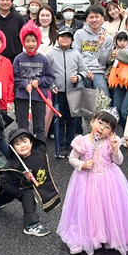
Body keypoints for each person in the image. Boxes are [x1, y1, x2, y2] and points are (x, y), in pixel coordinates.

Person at [57, 108, 128, 255]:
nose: (102, 128)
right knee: (86, 208)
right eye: (100, 123)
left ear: (111, 132)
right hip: (86, 180)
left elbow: (118, 161)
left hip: (108, 179)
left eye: (107, 127)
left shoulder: (110, 142)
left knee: (107, 208)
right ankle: (82, 238)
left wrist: (115, 149)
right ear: (92, 122)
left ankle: (109, 235)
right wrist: (82, 164)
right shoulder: (82, 141)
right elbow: (72, 158)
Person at [0, 128, 60, 237]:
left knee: (6, 198)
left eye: (25, 142)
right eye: (18, 144)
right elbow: (8, 182)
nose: (22, 146)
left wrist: (28, 180)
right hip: (9, 184)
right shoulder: (13, 164)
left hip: (23, 183)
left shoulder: (38, 156)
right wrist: (26, 180)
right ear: (13, 148)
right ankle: (31, 225)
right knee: (25, 195)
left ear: (31, 142)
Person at [47, 26, 88, 158]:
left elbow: (84, 70)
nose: (65, 39)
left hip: (73, 92)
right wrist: (51, 86)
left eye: (68, 37)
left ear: (72, 40)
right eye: (62, 36)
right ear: (58, 38)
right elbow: (46, 73)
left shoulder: (76, 54)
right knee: (59, 120)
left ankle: (70, 145)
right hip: (57, 93)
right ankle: (60, 147)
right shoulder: (51, 54)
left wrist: (78, 77)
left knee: (71, 120)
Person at [13, 21, 55, 142]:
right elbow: (15, 77)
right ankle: (23, 147)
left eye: (33, 41)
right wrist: (24, 84)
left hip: (39, 97)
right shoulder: (18, 59)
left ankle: (40, 148)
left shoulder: (43, 59)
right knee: (22, 125)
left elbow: (50, 77)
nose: (30, 44)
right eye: (27, 41)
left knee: (39, 126)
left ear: (38, 41)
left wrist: (39, 82)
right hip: (22, 97)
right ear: (23, 42)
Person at [73, 5, 113, 95]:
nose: (94, 20)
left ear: (102, 19)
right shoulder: (79, 34)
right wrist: (85, 70)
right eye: (91, 17)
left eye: (97, 17)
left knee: (103, 98)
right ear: (87, 20)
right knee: (80, 96)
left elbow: (104, 61)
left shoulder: (108, 38)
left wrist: (101, 45)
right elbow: (76, 55)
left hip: (99, 71)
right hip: (82, 70)